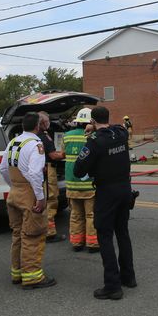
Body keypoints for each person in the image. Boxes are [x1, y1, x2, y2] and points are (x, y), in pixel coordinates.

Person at [74, 106, 136, 300]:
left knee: (105, 235)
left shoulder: (94, 142)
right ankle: (128, 277)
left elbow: (78, 170)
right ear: (108, 118)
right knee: (123, 233)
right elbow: (118, 127)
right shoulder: (120, 133)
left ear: (92, 121)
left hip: (106, 192)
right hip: (125, 189)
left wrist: (91, 135)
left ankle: (112, 285)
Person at [0, 112, 56, 289]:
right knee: (33, 235)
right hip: (28, 194)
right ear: (37, 126)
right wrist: (40, 198)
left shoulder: (13, 142)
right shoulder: (36, 144)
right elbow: (34, 173)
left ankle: (17, 273)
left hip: (14, 193)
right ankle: (32, 277)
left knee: (17, 235)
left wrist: (14, 186)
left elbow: (2, 169)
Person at [64, 108, 99, 253]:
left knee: (75, 215)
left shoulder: (66, 136)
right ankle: (92, 244)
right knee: (91, 215)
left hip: (72, 184)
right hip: (89, 184)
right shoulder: (95, 136)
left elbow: (62, 154)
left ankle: (77, 243)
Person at [37, 112, 66, 243]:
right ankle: (49, 233)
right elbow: (53, 156)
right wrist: (67, 153)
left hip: (41, 171)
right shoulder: (44, 137)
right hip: (48, 170)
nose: (49, 123)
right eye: (47, 121)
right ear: (43, 123)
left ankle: (42, 229)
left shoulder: (35, 136)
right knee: (51, 199)